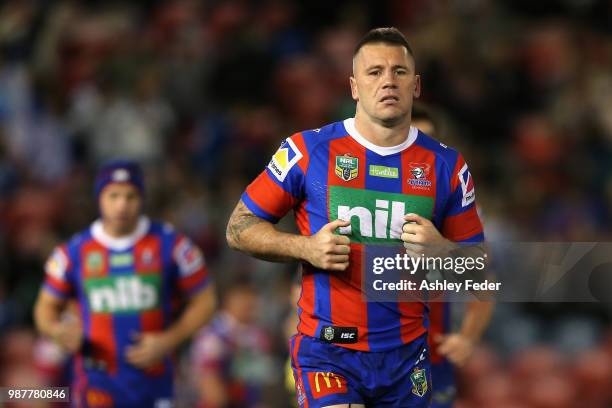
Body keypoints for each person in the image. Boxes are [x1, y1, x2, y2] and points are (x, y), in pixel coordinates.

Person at [226, 27, 486, 407]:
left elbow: (480, 271)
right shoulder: (307, 150)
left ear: (416, 85)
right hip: (329, 351)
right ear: (353, 86)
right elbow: (238, 228)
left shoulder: (447, 165)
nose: (387, 82)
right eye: (374, 71)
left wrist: (441, 249)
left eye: (399, 72)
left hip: (407, 358)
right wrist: (306, 247)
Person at [33, 160, 216, 407]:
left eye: (130, 196)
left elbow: (205, 301)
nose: (122, 205)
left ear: (142, 198)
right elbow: (44, 308)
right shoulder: (73, 252)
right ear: (100, 198)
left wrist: (169, 340)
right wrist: (57, 332)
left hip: (155, 382)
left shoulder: (171, 245)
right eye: (113, 195)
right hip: (95, 384)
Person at [412, 104, 494, 408]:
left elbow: (482, 282)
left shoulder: (460, 210)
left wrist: (468, 337)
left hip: (432, 356)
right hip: (366, 353)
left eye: (428, 140)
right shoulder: (365, 201)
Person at [190, 278, 275, 408]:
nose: (249, 302)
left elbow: (264, 380)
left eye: (252, 296)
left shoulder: (258, 336)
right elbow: (212, 392)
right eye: (242, 297)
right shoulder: (213, 336)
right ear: (228, 300)